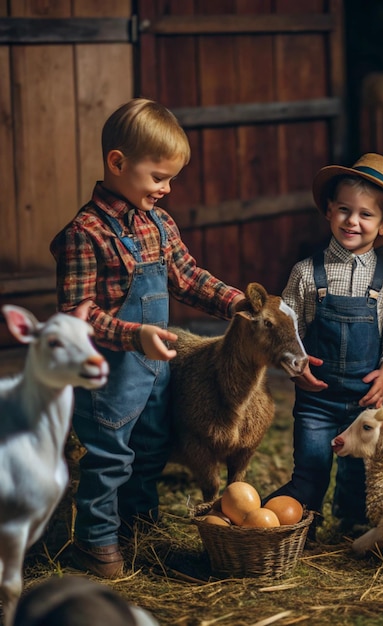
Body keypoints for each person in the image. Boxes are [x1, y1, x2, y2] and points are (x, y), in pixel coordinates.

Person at [50, 98, 245, 578]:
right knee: (110, 455)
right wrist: (134, 334)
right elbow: (77, 315)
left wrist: (235, 303)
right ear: (117, 163)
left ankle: (138, 524)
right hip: (109, 373)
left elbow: (186, 275)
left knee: (152, 445)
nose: (167, 188)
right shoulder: (85, 233)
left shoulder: (157, 222)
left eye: (171, 178)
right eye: (159, 177)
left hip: (154, 367)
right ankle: (95, 542)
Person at [264, 153, 383, 536]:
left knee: (357, 478)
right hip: (316, 399)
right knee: (311, 469)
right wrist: (293, 365)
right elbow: (286, 329)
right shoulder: (305, 273)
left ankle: (350, 531)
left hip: (365, 403)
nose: (353, 221)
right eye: (345, 210)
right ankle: (301, 528)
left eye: (366, 215)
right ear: (330, 210)